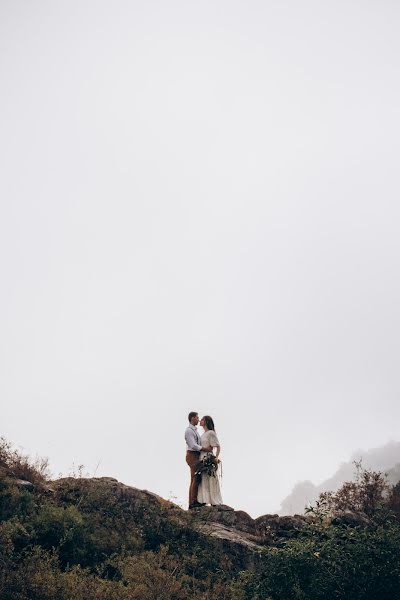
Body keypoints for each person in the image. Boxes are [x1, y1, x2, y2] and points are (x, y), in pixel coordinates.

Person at [185, 411, 212, 509]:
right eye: (197, 418)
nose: (198, 419)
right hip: (192, 455)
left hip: (196, 455)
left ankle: (193, 502)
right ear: (192, 418)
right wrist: (206, 449)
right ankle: (193, 502)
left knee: (195, 478)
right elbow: (193, 445)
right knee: (196, 478)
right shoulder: (189, 431)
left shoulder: (195, 430)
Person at [197, 415, 223, 506]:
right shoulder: (202, 435)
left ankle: (214, 501)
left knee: (211, 479)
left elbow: (218, 446)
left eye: (202, 419)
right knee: (203, 479)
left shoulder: (211, 433)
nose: (200, 420)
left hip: (208, 457)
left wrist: (216, 457)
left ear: (206, 422)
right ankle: (204, 500)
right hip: (201, 458)